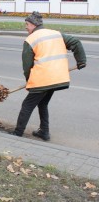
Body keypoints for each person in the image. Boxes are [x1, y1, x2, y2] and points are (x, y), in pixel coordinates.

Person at [11, 11, 86, 141]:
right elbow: (76, 42)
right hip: (58, 78)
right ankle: (44, 132)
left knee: (27, 105)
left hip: (43, 80)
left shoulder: (30, 40)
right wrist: (81, 61)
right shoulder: (56, 34)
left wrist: (29, 81)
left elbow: (27, 66)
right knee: (42, 103)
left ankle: (17, 133)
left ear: (33, 25)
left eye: (27, 24)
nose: (26, 27)